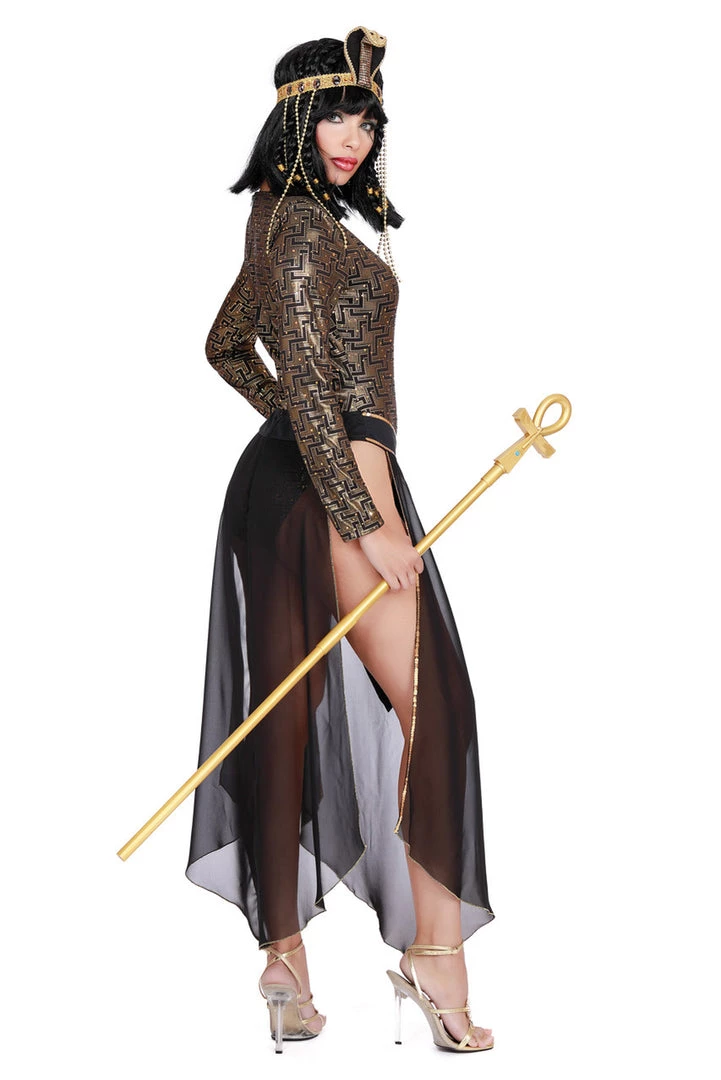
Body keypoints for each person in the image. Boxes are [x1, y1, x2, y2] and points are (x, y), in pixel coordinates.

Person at [185, 26, 495, 1053]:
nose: (354, 135)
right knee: (435, 702)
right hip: (336, 481)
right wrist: (367, 522)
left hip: (295, 479)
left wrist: (288, 431)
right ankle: (434, 958)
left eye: (366, 118)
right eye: (334, 115)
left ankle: (285, 964)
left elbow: (229, 345)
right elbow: (319, 388)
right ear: (293, 121)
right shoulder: (299, 226)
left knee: (292, 710)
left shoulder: (284, 220)